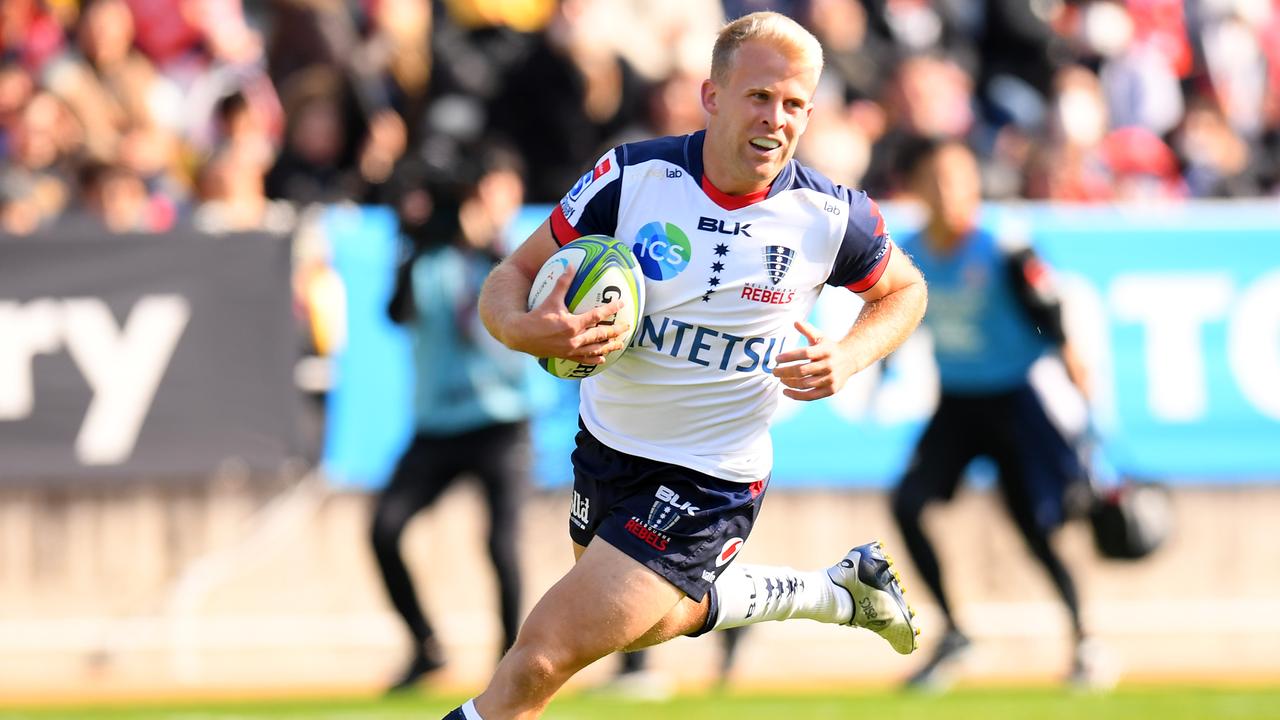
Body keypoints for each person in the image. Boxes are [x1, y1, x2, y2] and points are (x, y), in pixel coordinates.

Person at [448, 13, 928, 719]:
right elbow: (511, 276)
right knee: (638, 622)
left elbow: (905, 291)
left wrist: (849, 355)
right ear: (712, 96)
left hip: (711, 478)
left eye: (795, 104)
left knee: (539, 659)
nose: (777, 119)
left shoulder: (829, 215)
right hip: (607, 450)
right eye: (760, 96)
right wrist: (528, 330)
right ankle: (835, 593)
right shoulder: (632, 178)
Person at [887, 137, 1102, 689]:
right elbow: (889, 312)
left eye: (960, 180)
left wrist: (1077, 376)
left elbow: (1048, 311)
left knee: (1035, 528)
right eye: (937, 180)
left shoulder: (1002, 248)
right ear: (919, 190)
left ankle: (1085, 641)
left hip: (1016, 400)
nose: (950, 193)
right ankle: (955, 632)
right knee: (908, 503)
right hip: (957, 401)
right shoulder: (908, 254)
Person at [371, 141, 532, 693]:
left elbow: (511, 297)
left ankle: (510, 659)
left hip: (500, 421)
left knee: (500, 543)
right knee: (384, 529)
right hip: (437, 426)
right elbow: (394, 312)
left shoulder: (500, 253)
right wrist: (413, 241)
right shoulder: (424, 258)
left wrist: (480, 235)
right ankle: (425, 644)